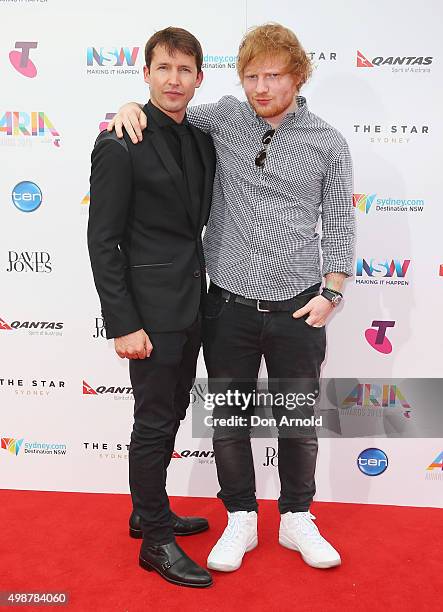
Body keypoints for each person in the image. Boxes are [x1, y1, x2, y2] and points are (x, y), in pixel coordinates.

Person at [108, 23, 355, 573]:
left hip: (300, 305)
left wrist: (331, 294)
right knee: (229, 420)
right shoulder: (221, 116)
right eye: (251, 77)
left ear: (297, 76)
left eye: (273, 76)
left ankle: (296, 517)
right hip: (226, 305)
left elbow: (338, 223)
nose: (261, 88)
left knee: (297, 419)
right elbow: (166, 106)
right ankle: (240, 516)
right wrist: (127, 104)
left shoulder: (328, 142)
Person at [88, 27, 215, 588]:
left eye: (185, 70)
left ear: (198, 78)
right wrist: (125, 323)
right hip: (148, 316)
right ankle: (156, 543)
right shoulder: (119, 143)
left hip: (192, 307)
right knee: (153, 422)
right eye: (163, 68)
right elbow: (103, 242)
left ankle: (148, 511)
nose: (173, 79)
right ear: (145, 73)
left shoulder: (203, 138)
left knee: (168, 417)